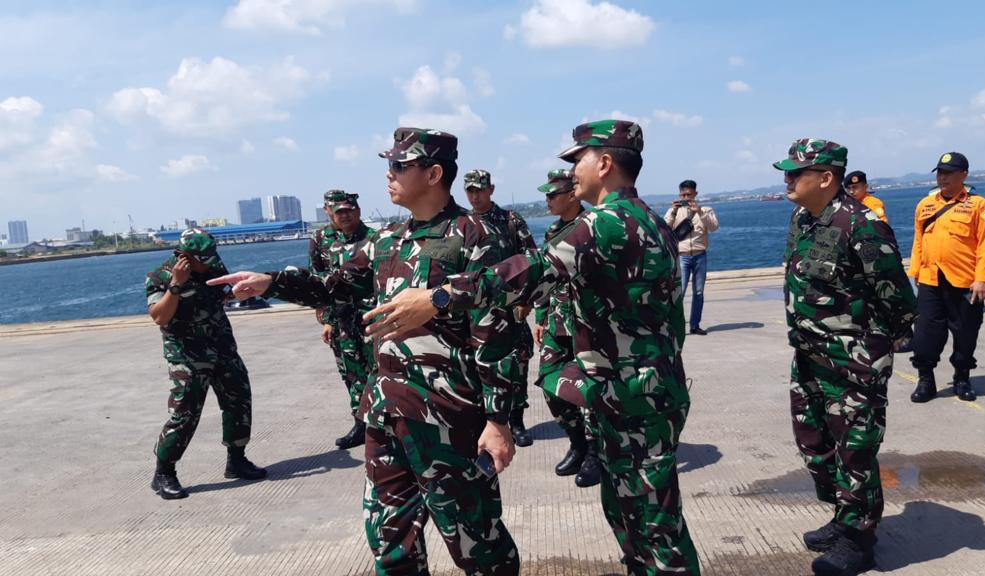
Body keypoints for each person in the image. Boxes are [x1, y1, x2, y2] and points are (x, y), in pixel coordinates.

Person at [365, 120, 701, 575]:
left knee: (654, 531)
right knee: (637, 521)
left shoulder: (603, 222)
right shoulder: (652, 221)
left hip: (632, 398)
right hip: (642, 391)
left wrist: (438, 297)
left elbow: (529, 272)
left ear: (603, 163)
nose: (571, 173)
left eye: (577, 161)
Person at [210, 128, 520, 575]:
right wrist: (271, 282)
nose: (388, 175)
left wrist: (498, 419)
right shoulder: (385, 241)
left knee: (478, 543)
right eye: (388, 165)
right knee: (391, 544)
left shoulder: (475, 237)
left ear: (433, 174)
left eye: (398, 166)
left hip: (450, 420)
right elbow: (332, 285)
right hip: (385, 413)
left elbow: (496, 334)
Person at [775, 139, 916, 576]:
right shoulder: (803, 219)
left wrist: (872, 350)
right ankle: (843, 515)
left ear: (826, 178)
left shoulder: (863, 225)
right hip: (810, 355)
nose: (788, 180)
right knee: (815, 443)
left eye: (796, 173)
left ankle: (859, 540)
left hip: (853, 362)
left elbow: (898, 300)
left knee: (855, 449)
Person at [145, 228, 267, 500]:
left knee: (239, 400)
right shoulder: (160, 276)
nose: (210, 262)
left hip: (222, 346)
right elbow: (159, 316)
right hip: (188, 355)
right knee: (185, 413)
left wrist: (237, 293)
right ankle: (164, 472)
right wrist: (176, 284)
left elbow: (222, 293)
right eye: (203, 258)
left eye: (212, 256)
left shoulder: (212, 265)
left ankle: (237, 459)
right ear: (184, 255)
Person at [532, 168, 600, 488]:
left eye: (552, 194)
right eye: (546, 195)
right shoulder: (552, 232)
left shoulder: (591, 228)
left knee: (588, 389)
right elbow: (547, 279)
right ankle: (577, 441)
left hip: (587, 323)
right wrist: (540, 317)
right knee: (550, 382)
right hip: (557, 321)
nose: (547, 200)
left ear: (572, 194)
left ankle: (595, 453)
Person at [908, 152, 985, 403]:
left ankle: (962, 377)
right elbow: (918, 241)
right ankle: (926, 380)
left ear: (964, 175)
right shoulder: (925, 205)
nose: (942, 177)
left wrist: (982, 279)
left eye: (948, 172)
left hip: (966, 281)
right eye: (940, 172)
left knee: (966, 332)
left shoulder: (979, 205)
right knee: (925, 333)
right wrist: (916, 271)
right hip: (930, 279)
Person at [464, 168, 538, 447]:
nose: (475, 195)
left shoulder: (509, 220)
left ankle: (516, 421)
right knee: (475, 368)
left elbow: (530, 258)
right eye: (470, 190)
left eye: (480, 190)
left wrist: (526, 300)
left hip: (509, 309)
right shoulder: (462, 223)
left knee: (516, 366)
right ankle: (489, 422)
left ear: (491, 189)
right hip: (472, 312)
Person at [308, 189, 377, 449]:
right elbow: (318, 280)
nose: (345, 216)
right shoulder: (322, 239)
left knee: (378, 371)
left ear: (358, 211)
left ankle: (383, 424)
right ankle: (360, 425)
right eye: (339, 212)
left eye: (349, 210)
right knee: (351, 373)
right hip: (341, 321)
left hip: (370, 317)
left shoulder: (375, 238)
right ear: (330, 213)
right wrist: (327, 319)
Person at [663, 180, 718, 335]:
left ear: (696, 194)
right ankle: (675, 325)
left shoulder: (706, 210)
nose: (686, 197)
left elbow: (714, 227)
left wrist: (700, 211)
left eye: (689, 194)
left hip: (700, 255)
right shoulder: (674, 210)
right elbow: (664, 229)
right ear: (680, 194)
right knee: (679, 292)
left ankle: (695, 325)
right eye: (683, 194)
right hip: (682, 257)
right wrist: (674, 212)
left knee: (699, 292)